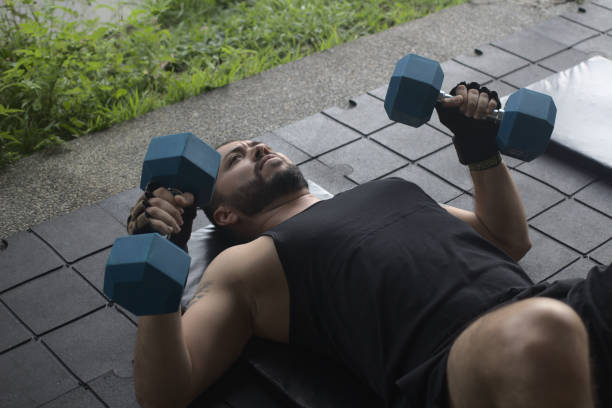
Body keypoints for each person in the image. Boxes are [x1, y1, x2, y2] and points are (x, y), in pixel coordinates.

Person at [128, 82, 610, 408]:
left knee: (551, 319)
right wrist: (162, 259)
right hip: (456, 361)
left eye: (257, 143)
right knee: (539, 331)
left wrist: (479, 148)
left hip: (557, 304)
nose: (258, 148)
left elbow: (507, 239)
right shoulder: (245, 264)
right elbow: (166, 391)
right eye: (237, 158)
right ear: (225, 213)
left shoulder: (388, 190)